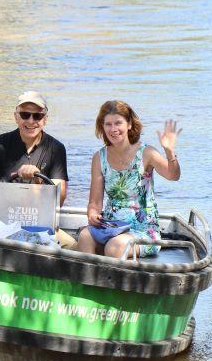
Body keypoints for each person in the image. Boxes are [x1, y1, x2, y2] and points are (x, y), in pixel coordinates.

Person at [0, 90, 75, 247]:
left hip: (38, 219)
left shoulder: (56, 149)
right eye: (25, 115)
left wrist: (38, 180)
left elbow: (59, 198)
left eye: (37, 116)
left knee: (72, 246)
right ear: (16, 117)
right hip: (0, 216)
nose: (31, 121)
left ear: (45, 119)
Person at [75, 100, 181, 259]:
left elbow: (173, 175)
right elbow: (95, 203)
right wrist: (92, 214)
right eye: (108, 124)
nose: (113, 129)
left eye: (118, 123)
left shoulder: (146, 153)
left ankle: (114, 274)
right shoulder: (99, 157)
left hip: (143, 230)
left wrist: (169, 151)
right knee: (85, 237)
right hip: (110, 227)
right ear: (102, 127)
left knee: (114, 246)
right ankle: (90, 276)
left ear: (129, 124)